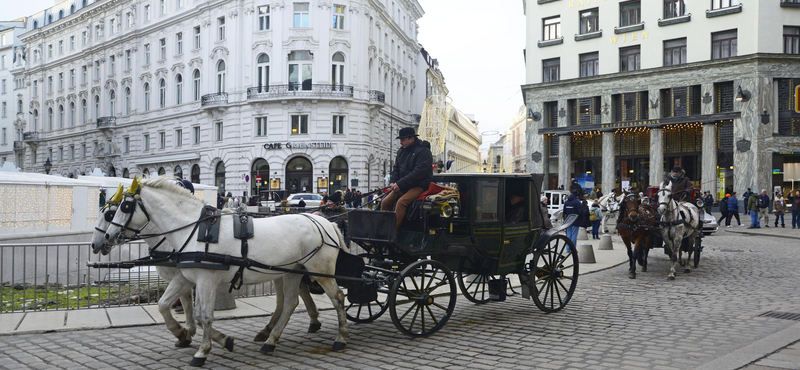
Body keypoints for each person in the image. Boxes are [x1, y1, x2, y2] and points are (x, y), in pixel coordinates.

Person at [381, 127, 433, 230]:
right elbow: (396, 169)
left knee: (401, 202)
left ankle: (393, 231)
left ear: (412, 139)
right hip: (404, 185)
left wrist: (399, 184)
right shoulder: (401, 152)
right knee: (385, 202)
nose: (400, 142)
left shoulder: (424, 151)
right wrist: (392, 182)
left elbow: (418, 173)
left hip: (419, 185)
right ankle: (384, 228)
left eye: (403, 140)